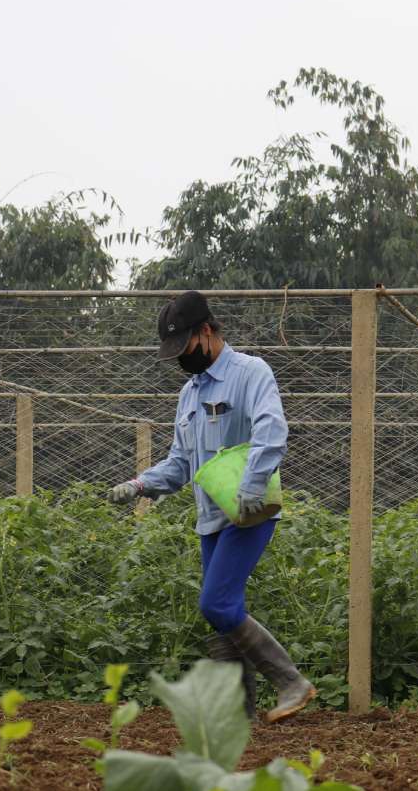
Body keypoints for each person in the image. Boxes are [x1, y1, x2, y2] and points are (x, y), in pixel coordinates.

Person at [107, 290, 317, 723]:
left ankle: (291, 683)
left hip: (250, 510)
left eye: (185, 347)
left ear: (206, 331)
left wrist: (253, 483)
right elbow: (182, 463)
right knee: (223, 612)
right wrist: (141, 483)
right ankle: (241, 717)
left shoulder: (250, 373)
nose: (182, 358)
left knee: (216, 604)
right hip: (211, 518)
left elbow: (273, 430)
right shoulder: (189, 395)